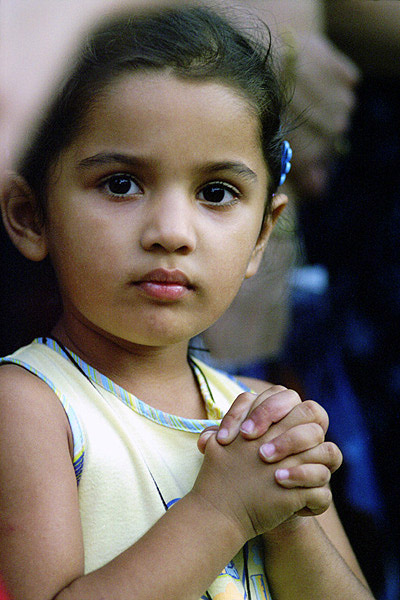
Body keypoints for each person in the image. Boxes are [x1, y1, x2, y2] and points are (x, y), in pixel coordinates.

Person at [0, 6, 374, 600]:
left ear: (260, 235)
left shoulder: (258, 415)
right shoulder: (31, 404)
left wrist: (287, 519)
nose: (172, 231)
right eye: (121, 183)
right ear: (30, 214)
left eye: (216, 192)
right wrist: (224, 514)